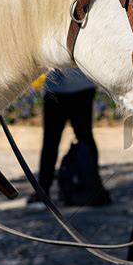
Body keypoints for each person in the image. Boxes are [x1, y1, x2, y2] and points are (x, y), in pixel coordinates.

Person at [27, 68, 110, 206]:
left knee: (51, 142)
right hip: (84, 85)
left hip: (59, 89)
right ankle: (93, 187)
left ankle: (43, 191)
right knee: (85, 138)